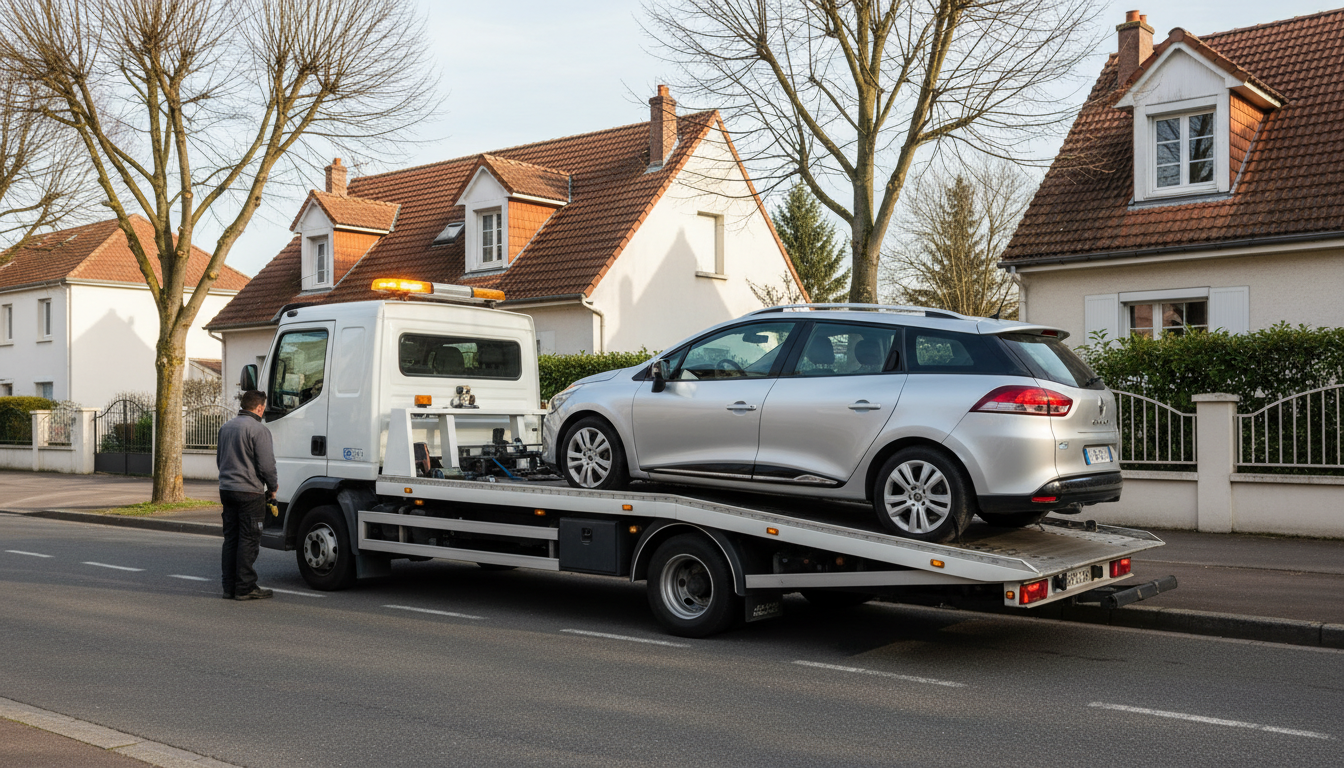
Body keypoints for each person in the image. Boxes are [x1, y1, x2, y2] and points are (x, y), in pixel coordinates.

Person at [217, 390, 278, 600]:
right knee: (249, 538)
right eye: (264, 408)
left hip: (227, 489)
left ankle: (229, 587)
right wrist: (272, 487)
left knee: (231, 539)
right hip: (250, 492)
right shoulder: (259, 430)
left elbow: (220, 460)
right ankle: (245, 587)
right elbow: (266, 465)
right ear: (259, 408)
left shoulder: (226, 427)